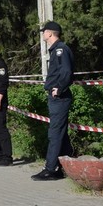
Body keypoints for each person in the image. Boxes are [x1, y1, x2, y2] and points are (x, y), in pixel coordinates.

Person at [33, 21, 75, 181]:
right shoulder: (57, 50)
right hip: (57, 98)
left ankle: (50, 169)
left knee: (55, 133)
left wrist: (59, 87)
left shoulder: (60, 50)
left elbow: (66, 71)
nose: (43, 34)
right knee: (61, 133)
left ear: (50, 33)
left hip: (59, 97)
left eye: (44, 31)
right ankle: (65, 166)